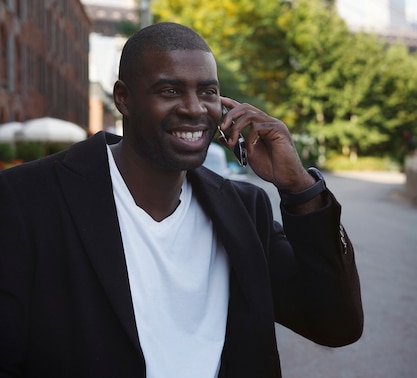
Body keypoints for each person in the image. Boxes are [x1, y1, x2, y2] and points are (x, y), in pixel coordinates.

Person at [0, 22, 363, 378]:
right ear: (123, 98)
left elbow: (336, 325)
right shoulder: (26, 200)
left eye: (207, 92)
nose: (194, 108)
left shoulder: (244, 210)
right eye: (170, 91)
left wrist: (299, 187)